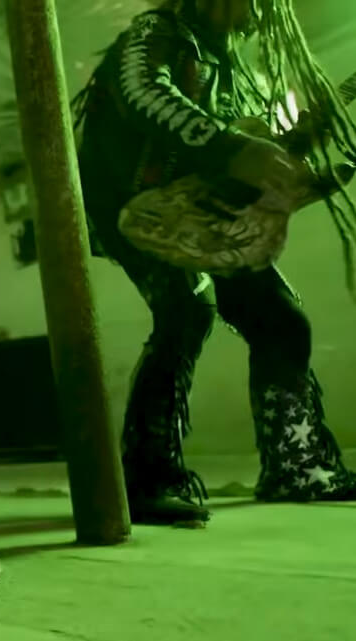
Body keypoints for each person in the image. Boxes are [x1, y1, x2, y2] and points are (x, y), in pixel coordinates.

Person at [74, 0, 356, 524]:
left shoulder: (232, 66)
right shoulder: (157, 30)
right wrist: (231, 148)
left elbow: (244, 148)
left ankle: (297, 465)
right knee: (186, 309)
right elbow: (142, 91)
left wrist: (284, 151)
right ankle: (146, 479)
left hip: (205, 211)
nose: (260, 11)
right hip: (136, 205)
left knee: (281, 320)